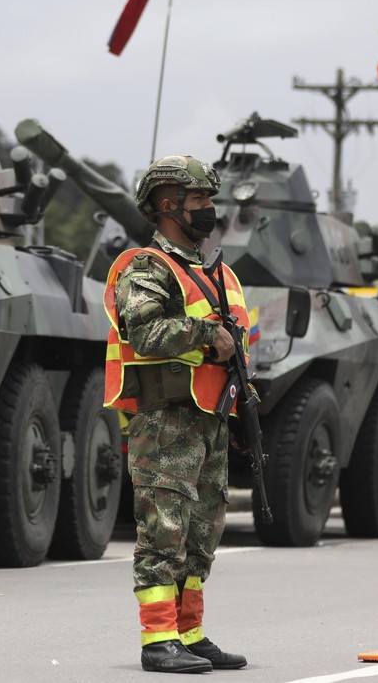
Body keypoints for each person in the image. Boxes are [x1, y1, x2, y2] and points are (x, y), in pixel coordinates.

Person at [104, 154, 251, 674]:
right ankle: (158, 639)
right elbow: (144, 332)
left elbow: (238, 346)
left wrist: (238, 414)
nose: (209, 209)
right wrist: (209, 337)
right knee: (162, 530)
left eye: (210, 199)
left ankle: (190, 633)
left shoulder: (218, 273)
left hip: (209, 419)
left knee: (202, 531)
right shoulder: (147, 267)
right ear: (168, 206)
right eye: (199, 201)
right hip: (165, 420)